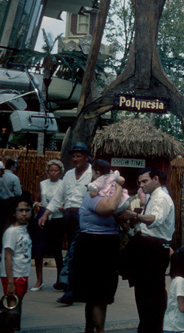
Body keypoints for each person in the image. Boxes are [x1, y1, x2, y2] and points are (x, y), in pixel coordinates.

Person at [120, 168, 175, 333]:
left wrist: (134, 216)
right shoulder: (152, 197)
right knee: (143, 290)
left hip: (155, 248)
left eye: (145, 181)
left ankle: (153, 326)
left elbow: (154, 220)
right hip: (146, 246)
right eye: (140, 182)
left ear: (156, 179)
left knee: (153, 291)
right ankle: (146, 324)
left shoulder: (162, 198)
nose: (142, 185)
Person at [38, 142, 93, 304]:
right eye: (74, 156)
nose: (76, 159)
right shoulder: (68, 175)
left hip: (85, 217)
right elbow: (58, 198)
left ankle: (67, 287)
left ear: (86, 157)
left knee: (74, 251)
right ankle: (79, 289)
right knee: (76, 252)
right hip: (68, 217)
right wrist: (46, 214)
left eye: (79, 156)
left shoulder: (92, 173)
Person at [72, 171, 125, 333]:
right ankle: (99, 331)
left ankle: (90, 329)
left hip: (107, 247)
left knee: (100, 297)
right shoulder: (93, 197)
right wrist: (118, 187)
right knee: (97, 297)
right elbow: (111, 207)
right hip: (93, 247)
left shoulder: (109, 197)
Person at [29, 160, 66, 292]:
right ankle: (39, 280)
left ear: (60, 172)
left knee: (56, 250)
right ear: (47, 171)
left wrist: (63, 208)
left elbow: (66, 201)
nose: (53, 173)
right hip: (43, 218)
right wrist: (36, 205)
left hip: (57, 219)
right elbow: (37, 199)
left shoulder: (63, 184)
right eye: (51, 170)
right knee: (39, 249)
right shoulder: (43, 184)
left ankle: (60, 279)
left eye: (56, 170)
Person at [1, 194, 32, 326]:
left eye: (27, 210)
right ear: (14, 213)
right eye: (20, 210)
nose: (24, 213)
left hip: (23, 274)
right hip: (13, 276)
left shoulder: (25, 230)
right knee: (11, 309)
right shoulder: (11, 232)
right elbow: (7, 256)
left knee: (17, 307)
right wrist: (10, 282)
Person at [0, 160, 22, 230]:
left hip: (1, 201)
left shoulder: (1, 177)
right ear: (12, 166)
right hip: (11, 202)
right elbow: (18, 193)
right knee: (9, 222)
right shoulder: (14, 178)